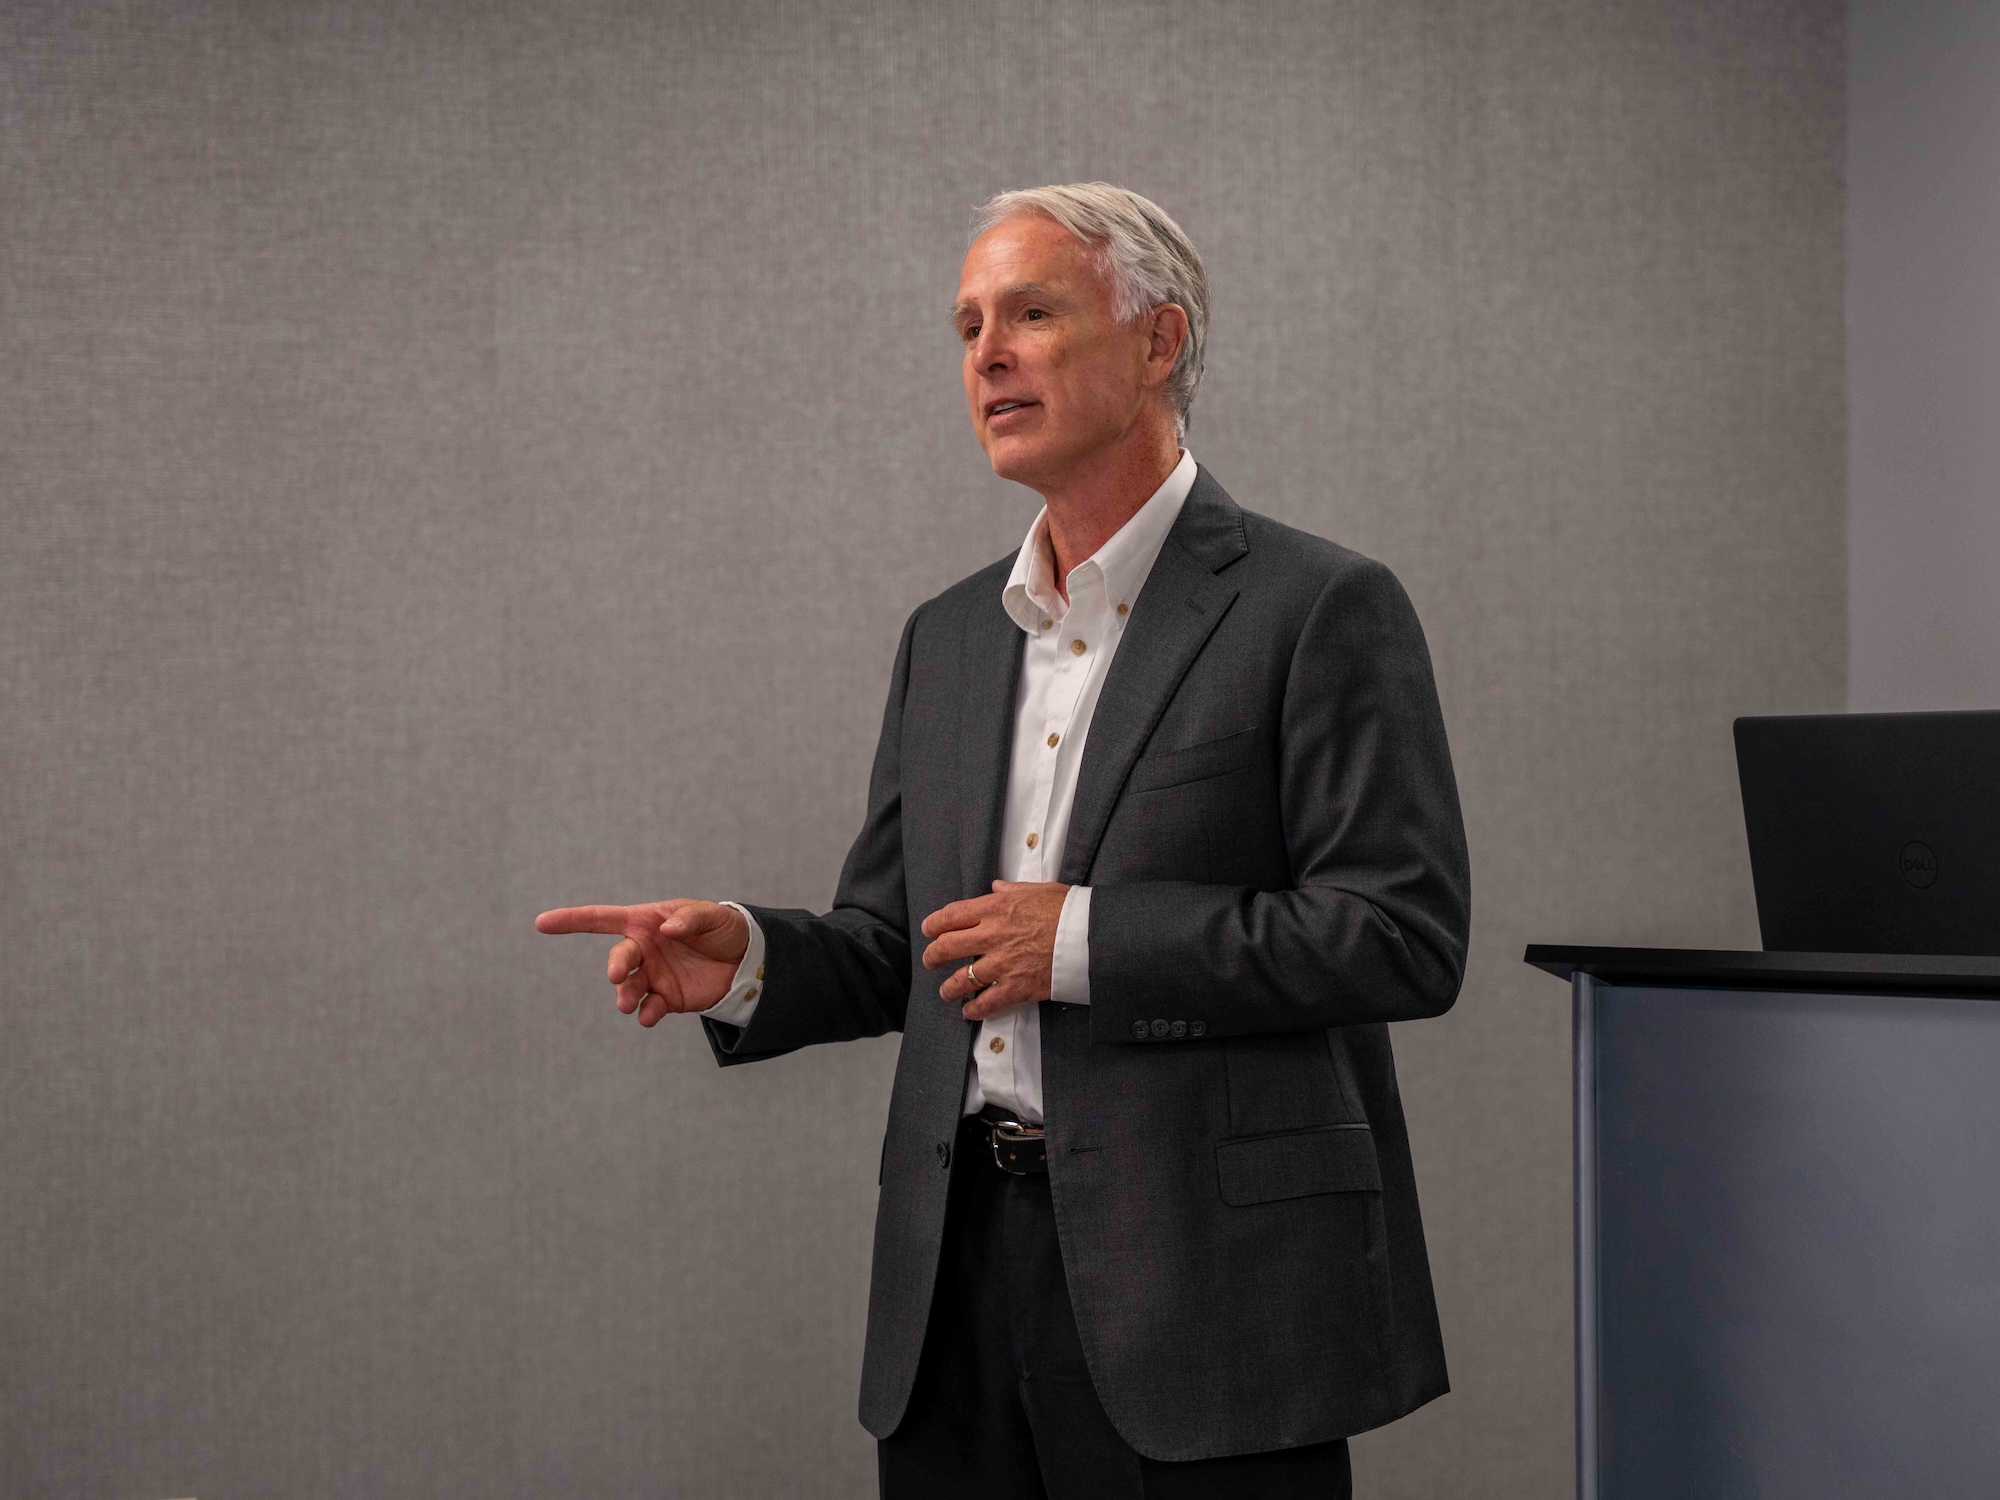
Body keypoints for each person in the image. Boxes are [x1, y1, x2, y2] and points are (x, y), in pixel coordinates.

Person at [536, 182, 1471, 1499]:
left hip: (1204, 1292)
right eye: (969, 324)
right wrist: (746, 961)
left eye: (1032, 312)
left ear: (1159, 343)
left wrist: (1078, 939)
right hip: (953, 1284)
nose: (987, 354)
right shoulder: (952, 636)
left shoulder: (1317, 607)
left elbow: (1401, 936)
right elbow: (895, 948)